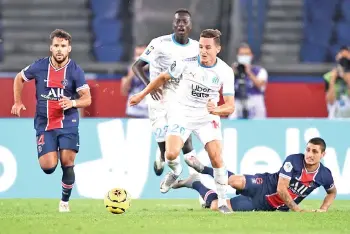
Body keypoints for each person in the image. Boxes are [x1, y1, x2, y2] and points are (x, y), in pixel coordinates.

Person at [130, 29, 235, 213]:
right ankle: (176, 171)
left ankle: (223, 201)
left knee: (217, 158)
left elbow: (230, 106)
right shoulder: (185, 64)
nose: (203, 51)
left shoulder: (225, 71)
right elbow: (162, 78)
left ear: (218, 49)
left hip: (207, 116)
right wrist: (141, 94)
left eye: (208, 47)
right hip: (182, 114)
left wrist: (216, 110)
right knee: (170, 155)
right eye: (201, 46)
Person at [11, 29, 91, 212]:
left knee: (67, 162)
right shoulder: (39, 66)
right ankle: (49, 152)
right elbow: (19, 78)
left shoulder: (75, 71)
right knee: (48, 167)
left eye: (63, 46)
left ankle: (64, 202)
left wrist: (72, 102)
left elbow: (87, 99)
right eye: (56, 46)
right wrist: (17, 101)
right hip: (44, 124)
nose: (59, 50)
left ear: (69, 48)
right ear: (51, 47)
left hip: (68, 123)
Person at [175, 137, 336, 213]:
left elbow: (332, 192)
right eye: (308, 149)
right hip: (263, 184)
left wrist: (324, 208)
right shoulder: (294, 161)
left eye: (315, 151)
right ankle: (203, 169)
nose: (309, 154)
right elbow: (281, 190)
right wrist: (297, 209)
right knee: (234, 180)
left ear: (323, 154)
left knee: (215, 206)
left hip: (264, 205)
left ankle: (196, 183)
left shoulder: (324, 175)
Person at [132, 9, 199, 176]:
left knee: (183, 136)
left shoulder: (197, 48)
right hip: (158, 96)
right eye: (178, 22)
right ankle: (161, 154)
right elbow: (137, 66)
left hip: (180, 97)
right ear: (173, 25)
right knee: (164, 146)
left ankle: (192, 175)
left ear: (190, 26)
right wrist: (150, 86)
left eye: (185, 22)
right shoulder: (159, 43)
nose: (181, 25)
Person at [229, 43, 268, 119]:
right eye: (242, 54)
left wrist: (249, 72)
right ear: (238, 56)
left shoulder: (259, 71)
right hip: (237, 105)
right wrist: (232, 74)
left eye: (246, 54)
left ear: (251, 56)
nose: (244, 57)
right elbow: (222, 89)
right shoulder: (233, 71)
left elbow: (261, 85)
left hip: (256, 105)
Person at [121, 45, 149, 118]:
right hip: (133, 113)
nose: (141, 58)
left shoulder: (157, 69)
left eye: (143, 55)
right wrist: (131, 75)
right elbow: (123, 92)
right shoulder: (128, 70)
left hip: (150, 113)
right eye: (138, 55)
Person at [324, 46, 350, 118]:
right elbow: (331, 101)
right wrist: (332, 80)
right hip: (335, 119)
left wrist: (347, 80)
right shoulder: (329, 77)